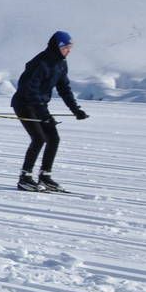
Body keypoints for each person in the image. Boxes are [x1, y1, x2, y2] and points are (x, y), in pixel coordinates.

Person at [13, 31, 87, 192]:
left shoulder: (61, 63)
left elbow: (64, 89)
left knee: (53, 138)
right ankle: (24, 178)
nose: (69, 51)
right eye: (66, 47)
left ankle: (45, 177)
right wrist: (45, 116)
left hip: (39, 104)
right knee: (39, 139)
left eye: (70, 47)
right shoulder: (41, 63)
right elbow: (30, 91)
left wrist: (76, 110)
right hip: (24, 103)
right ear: (57, 46)